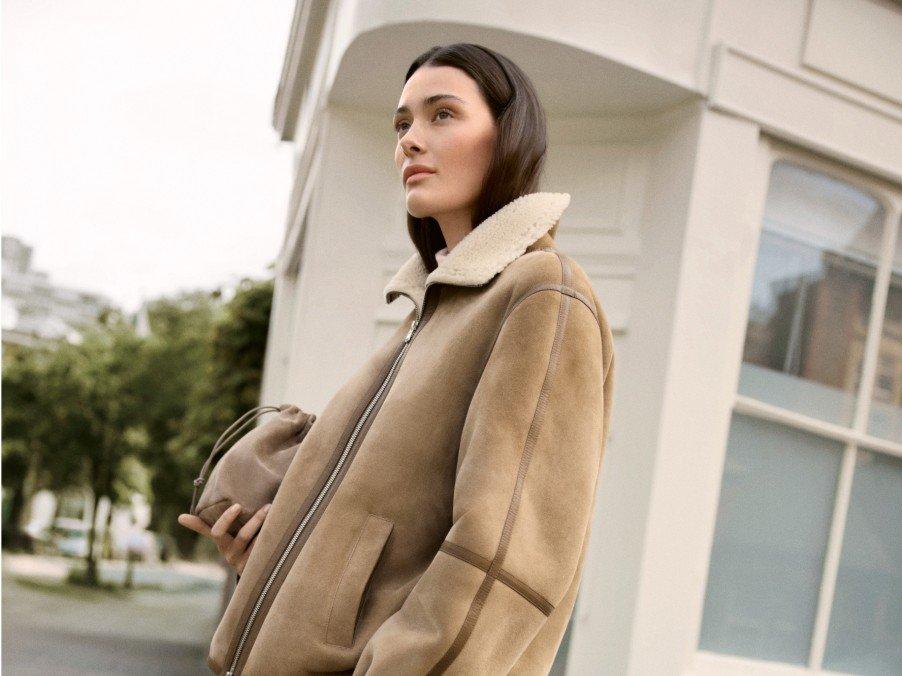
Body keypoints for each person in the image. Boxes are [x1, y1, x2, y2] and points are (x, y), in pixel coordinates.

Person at [179, 42, 615, 675]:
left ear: (508, 136)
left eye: (442, 115)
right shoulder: (426, 317)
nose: (411, 139)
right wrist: (279, 555)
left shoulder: (542, 294)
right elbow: (385, 550)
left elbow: (508, 560)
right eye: (403, 123)